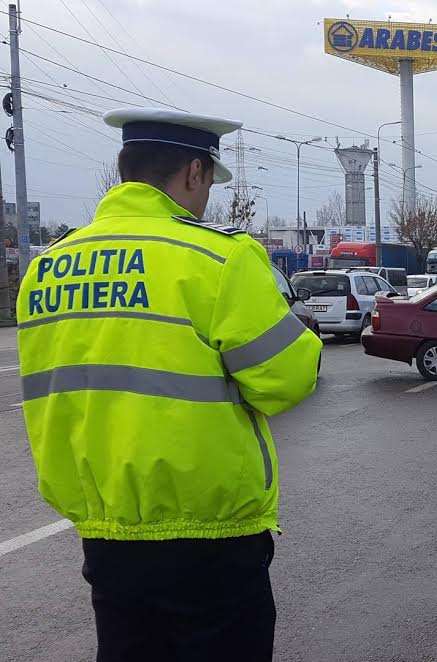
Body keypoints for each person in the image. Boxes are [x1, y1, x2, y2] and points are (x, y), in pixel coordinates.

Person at [17, 108, 322, 662]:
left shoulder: (49, 266)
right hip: (210, 535)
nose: (204, 199)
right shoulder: (219, 258)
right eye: (207, 183)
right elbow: (287, 379)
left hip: (105, 531)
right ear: (193, 172)